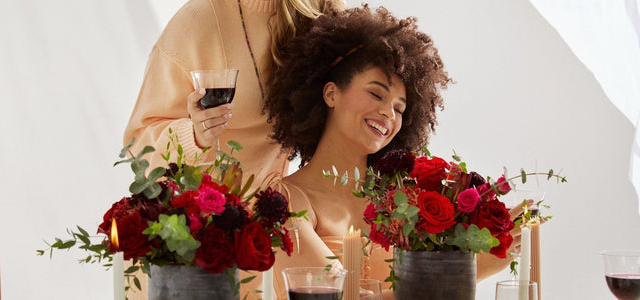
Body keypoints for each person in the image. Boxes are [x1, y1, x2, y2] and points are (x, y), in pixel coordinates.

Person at [262, 6, 529, 299]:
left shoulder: (404, 201)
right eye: (376, 94)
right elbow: (341, 296)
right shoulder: (281, 204)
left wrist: (493, 246)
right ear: (330, 94)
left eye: (399, 108)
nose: (388, 113)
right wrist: (471, 270)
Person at [122, 0, 343, 298]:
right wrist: (195, 136)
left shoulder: (322, 12)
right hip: (196, 244)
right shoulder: (198, 21)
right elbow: (140, 142)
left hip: (268, 232)